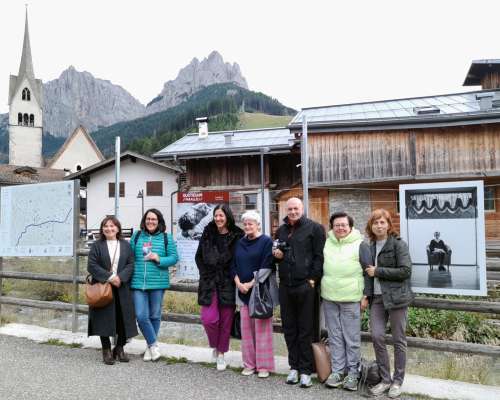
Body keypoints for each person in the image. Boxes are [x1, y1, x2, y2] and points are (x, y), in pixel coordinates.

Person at [273, 197, 326, 388]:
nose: (293, 212)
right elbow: (278, 255)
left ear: (302, 209)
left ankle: (306, 370)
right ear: (286, 210)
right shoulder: (281, 230)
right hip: (286, 286)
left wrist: (312, 281)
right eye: (290, 209)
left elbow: (319, 258)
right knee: (289, 329)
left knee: (306, 329)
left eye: (296, 208)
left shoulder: (315, 229)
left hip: (306, 286)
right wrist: (277, 256)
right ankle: (293, 367)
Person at [364, 209, 414, 398]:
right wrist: (366, 294)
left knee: (398, 340)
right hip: (377, 299)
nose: (379, 226)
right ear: (371, 226)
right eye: (375, 223)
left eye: (382, 222)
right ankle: (385, 379)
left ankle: (397, 381)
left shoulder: (398, 244)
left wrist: (379, 271)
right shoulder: (370, 246)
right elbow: (366, 273)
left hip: (397, 299)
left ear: (389, 225)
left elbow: (405, 271)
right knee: (377, 336)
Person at [321, 212, 367, 391]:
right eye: (336, 225)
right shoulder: (327, 243)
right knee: (334, 336)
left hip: (351, 298)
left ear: (350, 227)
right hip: (330, 297)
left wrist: (366, 296)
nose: (340, 228)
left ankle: (353, 373)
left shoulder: (360, 244)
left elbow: (367, 271)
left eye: (343, 225)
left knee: (351, 337)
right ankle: (338, 371)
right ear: (332, 226)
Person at [195, 204, 244, 371]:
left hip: (228, 282)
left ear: (227, 216)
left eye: (221, 215)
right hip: (209, 283)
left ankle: (221, 354)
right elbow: (198, 256)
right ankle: (215, 346)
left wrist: (235, 277)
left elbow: (240, 259)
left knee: (225, 321)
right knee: (209, 319)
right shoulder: (208, 232)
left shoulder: (238, 235)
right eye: (216, 215)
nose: (218, 219)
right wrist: (205, 274)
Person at [231, 210, 277, 378]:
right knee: (247, 332)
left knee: (262, 331)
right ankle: (249, 364)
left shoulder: (266, 241)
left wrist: (250, 284)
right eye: (245, 223)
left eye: (251, 223)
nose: (248, 226)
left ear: (258, 225)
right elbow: (233, 265)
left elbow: (267, 266)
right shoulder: (240, 242)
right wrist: (238, 283)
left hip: (260, 293)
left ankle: (263, 366)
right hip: (242, 292)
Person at [87, 216, 138, 365]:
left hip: (121, 286)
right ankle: (106, 350)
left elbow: (131, 264)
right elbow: (92, 265)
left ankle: (120, 347)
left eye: (112, 226)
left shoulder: (125, 245)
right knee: (103, 318)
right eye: (106, 226)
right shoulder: (97, 245)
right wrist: (110, 277)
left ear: (118, 228)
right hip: (103, 286)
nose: (109, 229)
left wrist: (120, 278)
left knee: (125, 318)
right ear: (102, 229)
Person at [130, 208, 178, 362]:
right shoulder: (137, 236)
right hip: (138, 283)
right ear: (144, 221)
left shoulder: (166, 238)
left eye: (154, 219)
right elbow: (129, 257)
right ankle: (153, 344)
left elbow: (174, 258)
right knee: (141, 315)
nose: (150, 222)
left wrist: (159, 258)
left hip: (157, 282)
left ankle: (149, 347)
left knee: (155, 315)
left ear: (159, 222)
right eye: (148, 219)